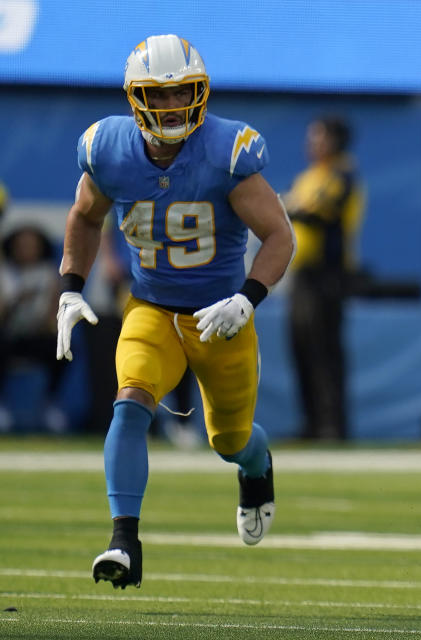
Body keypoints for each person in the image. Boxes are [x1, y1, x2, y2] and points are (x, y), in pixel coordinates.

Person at [55, 34, 295, 589]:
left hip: (220, 316)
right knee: (130, 403)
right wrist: (70, 287)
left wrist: (247, 298)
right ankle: (124, 541)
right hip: (151, 307)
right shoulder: (107, 149)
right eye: (156, 96)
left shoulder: (226, 151)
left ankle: (256, 469)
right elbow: (84, 217)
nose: (168, 106)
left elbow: (279, 236)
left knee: (228, 441)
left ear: (200, 92)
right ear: (135, 98)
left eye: (180, 93)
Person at [283, 116, 364, 440]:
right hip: (302, 275)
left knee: (324, 351)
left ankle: (332, 426)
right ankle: (312, 423)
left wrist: (281, 207)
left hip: (327, 276)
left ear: (335, 141)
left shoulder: (342, 175)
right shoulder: (309, 177)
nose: (311, 142)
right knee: (301, 349)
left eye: (318, 136)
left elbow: (316, 214)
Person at [0, 226, 67, 432]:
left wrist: (46, 324)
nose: (26, 250)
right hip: (9, 335)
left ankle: (49, 402)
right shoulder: (4, 274)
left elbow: (53, 318)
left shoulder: (48, 274)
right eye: (22, 246)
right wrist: (16, 302)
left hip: (37, 336)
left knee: (63, 348)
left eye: (31, 246)